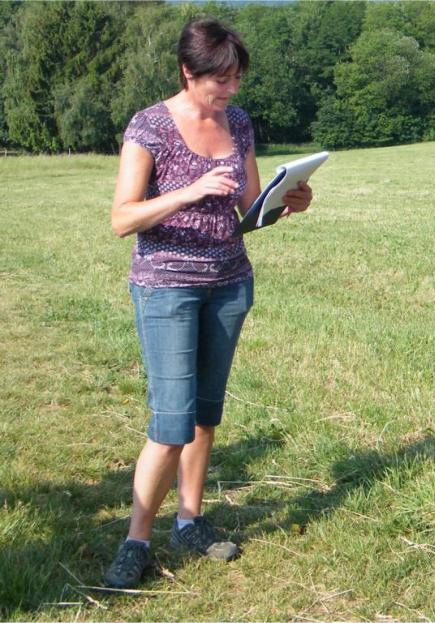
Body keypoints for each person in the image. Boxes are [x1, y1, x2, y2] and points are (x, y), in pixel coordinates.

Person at [104, 18, 313, 588]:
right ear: (187, 72)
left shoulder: (238, 123)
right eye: (220, 80)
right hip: (165, 287)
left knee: (203, 415)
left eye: (236, 79)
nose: (231, 91)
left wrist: (288, 201)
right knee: (170, 424)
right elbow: (122, 218)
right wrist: (189, 192)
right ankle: (136, 539)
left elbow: (248, 213)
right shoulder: (149, 126)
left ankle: (190, 520)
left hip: (229, 284)